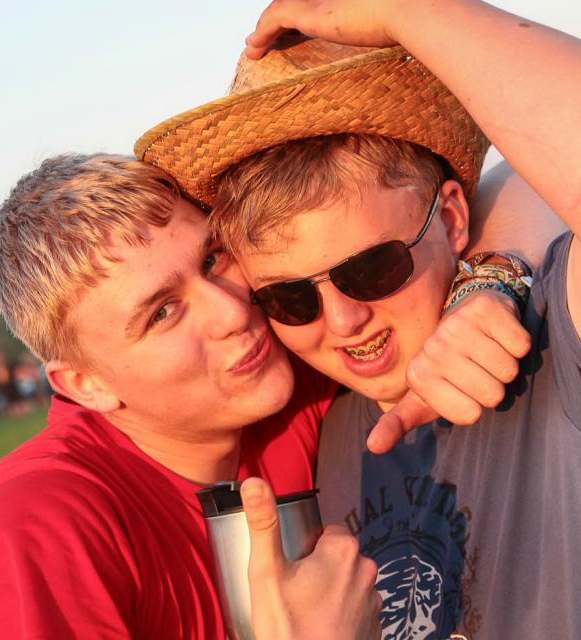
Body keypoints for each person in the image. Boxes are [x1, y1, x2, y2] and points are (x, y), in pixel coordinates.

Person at [136, 0, 580, 637]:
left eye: (373, 269)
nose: (343, 320)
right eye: (291, 298)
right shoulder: (334, 428)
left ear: (452, 219)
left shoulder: (550, 341)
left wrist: (409, 13)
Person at [0, 155, 381, 640]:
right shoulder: (35, 529)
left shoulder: (289, 372)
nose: (233, 313)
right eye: (163, 313)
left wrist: (457, 311)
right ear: (87, 385)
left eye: (212, 259)